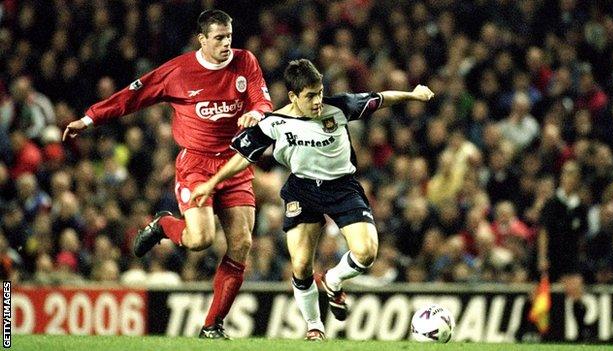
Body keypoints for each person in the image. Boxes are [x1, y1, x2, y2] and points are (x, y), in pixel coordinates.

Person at [62, 10, 272, 339]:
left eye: (229, 36)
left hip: (235, 163)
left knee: (242, 243)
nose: (226, 44)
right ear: (202, 39)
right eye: (218, 38)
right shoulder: (178, 71)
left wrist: (256, 114)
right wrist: (89, 120)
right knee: (200, 240)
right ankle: (163, 224)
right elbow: (132, 96)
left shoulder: (245, 62)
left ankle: (212, 325)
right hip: (197, 165)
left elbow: (262, 99)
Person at [190, 59, 434, 340]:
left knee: (366, 253)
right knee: (301, 265)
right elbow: (241, 158)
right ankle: (314, 327)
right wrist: (210, 183)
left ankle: (332, 280)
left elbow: (380, 98)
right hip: (303, 190)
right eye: (310, 96)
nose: (317, 100)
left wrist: (413, 94)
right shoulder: (273, 123)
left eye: (319, 93)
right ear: (293, 96)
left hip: (343, 188)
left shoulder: (339, 107)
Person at [537, 160, 589, 340]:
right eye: (566, 174)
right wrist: (542, 257)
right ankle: (531, 331)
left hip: (570, 258)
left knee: (576, 292)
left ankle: (581, 333)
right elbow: (544, 231)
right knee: (538, 294)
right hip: (552, 255)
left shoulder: (580, 207)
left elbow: (582, 236)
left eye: (572, 175)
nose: (568, 178)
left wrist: (580, 258)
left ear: (577, 179)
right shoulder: (552, 203)